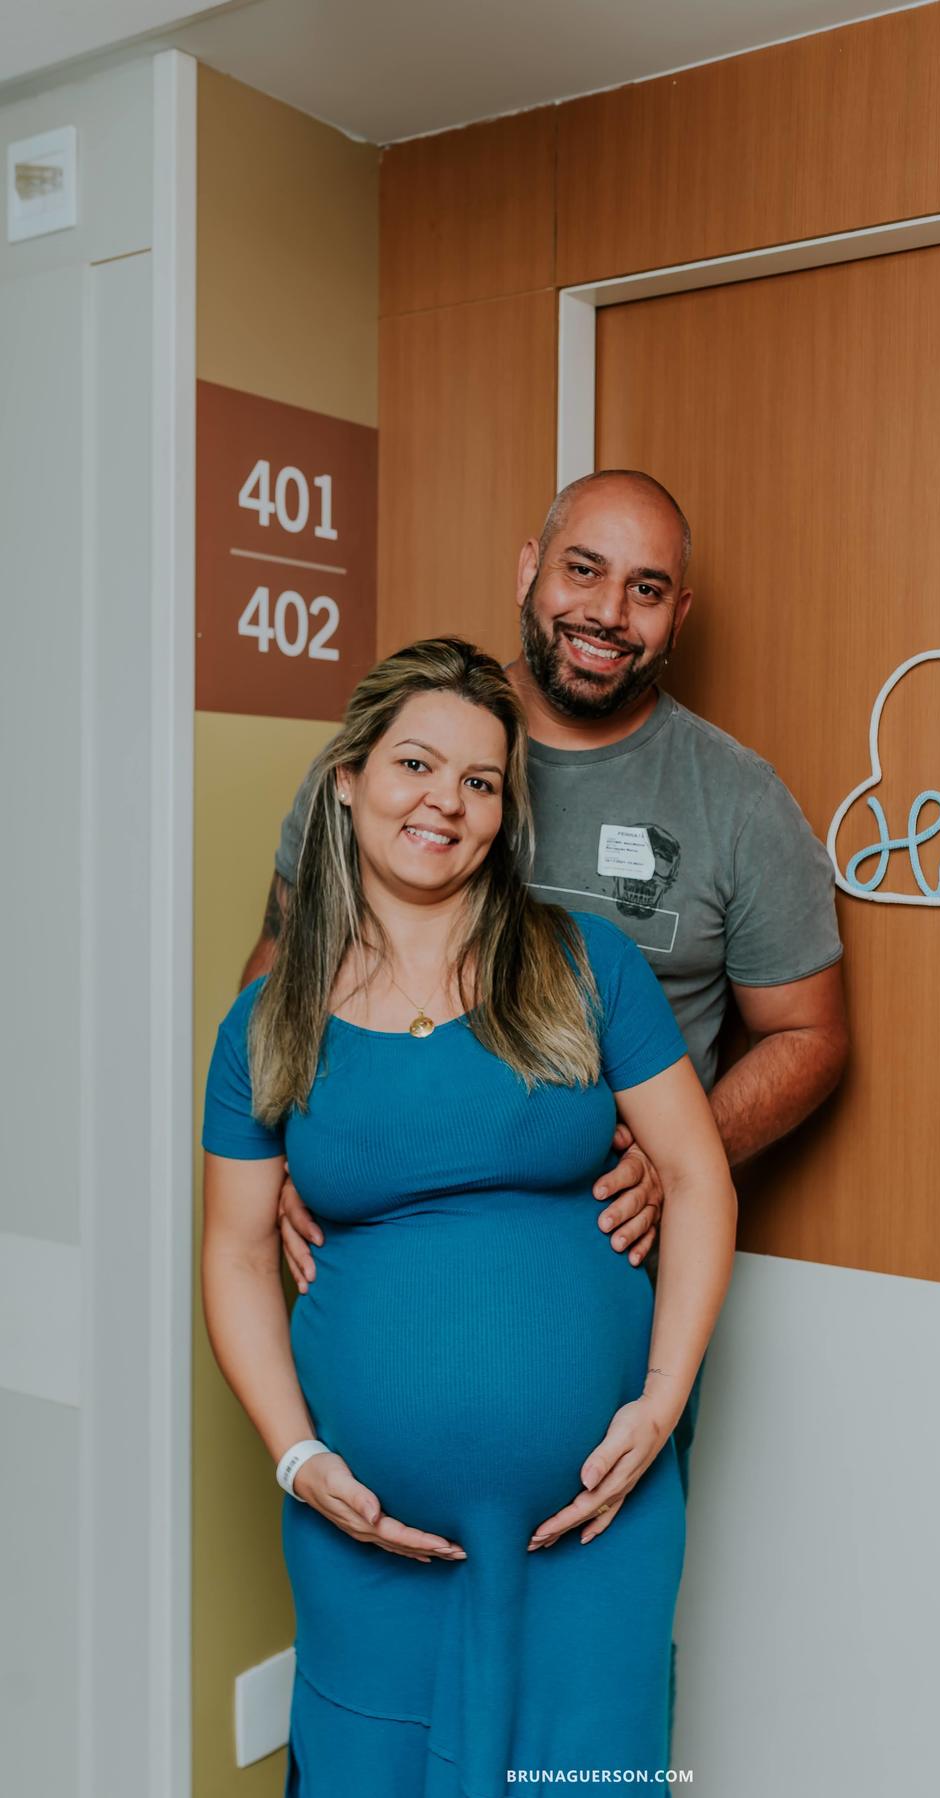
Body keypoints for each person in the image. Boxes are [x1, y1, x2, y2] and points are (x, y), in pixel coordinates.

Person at [248, 467, 850, 1735]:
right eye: (584, 569)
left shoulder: (733, 801)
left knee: (589, 1728)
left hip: (612, 1329)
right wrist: (301, 1144)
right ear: (532, 568)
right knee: (387, 1733)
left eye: (645, 589)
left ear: (677, 616)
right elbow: (282, 973)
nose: (606, 610)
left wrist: (679, 1156)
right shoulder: (399, 753)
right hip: (372, 1390)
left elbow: (809, 1037)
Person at [202, 638, 738, 1793]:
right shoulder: (267, 1022)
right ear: (347, 780)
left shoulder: (583, 965)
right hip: (370, 1543)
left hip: (596, 1528)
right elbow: (238, 1253)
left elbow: (698, 1178)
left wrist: (661, 1402)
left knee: (588, 1774)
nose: (446, 799)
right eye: (416, 764)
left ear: (504, 812)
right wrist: (297, 1458)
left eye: (481, 780)